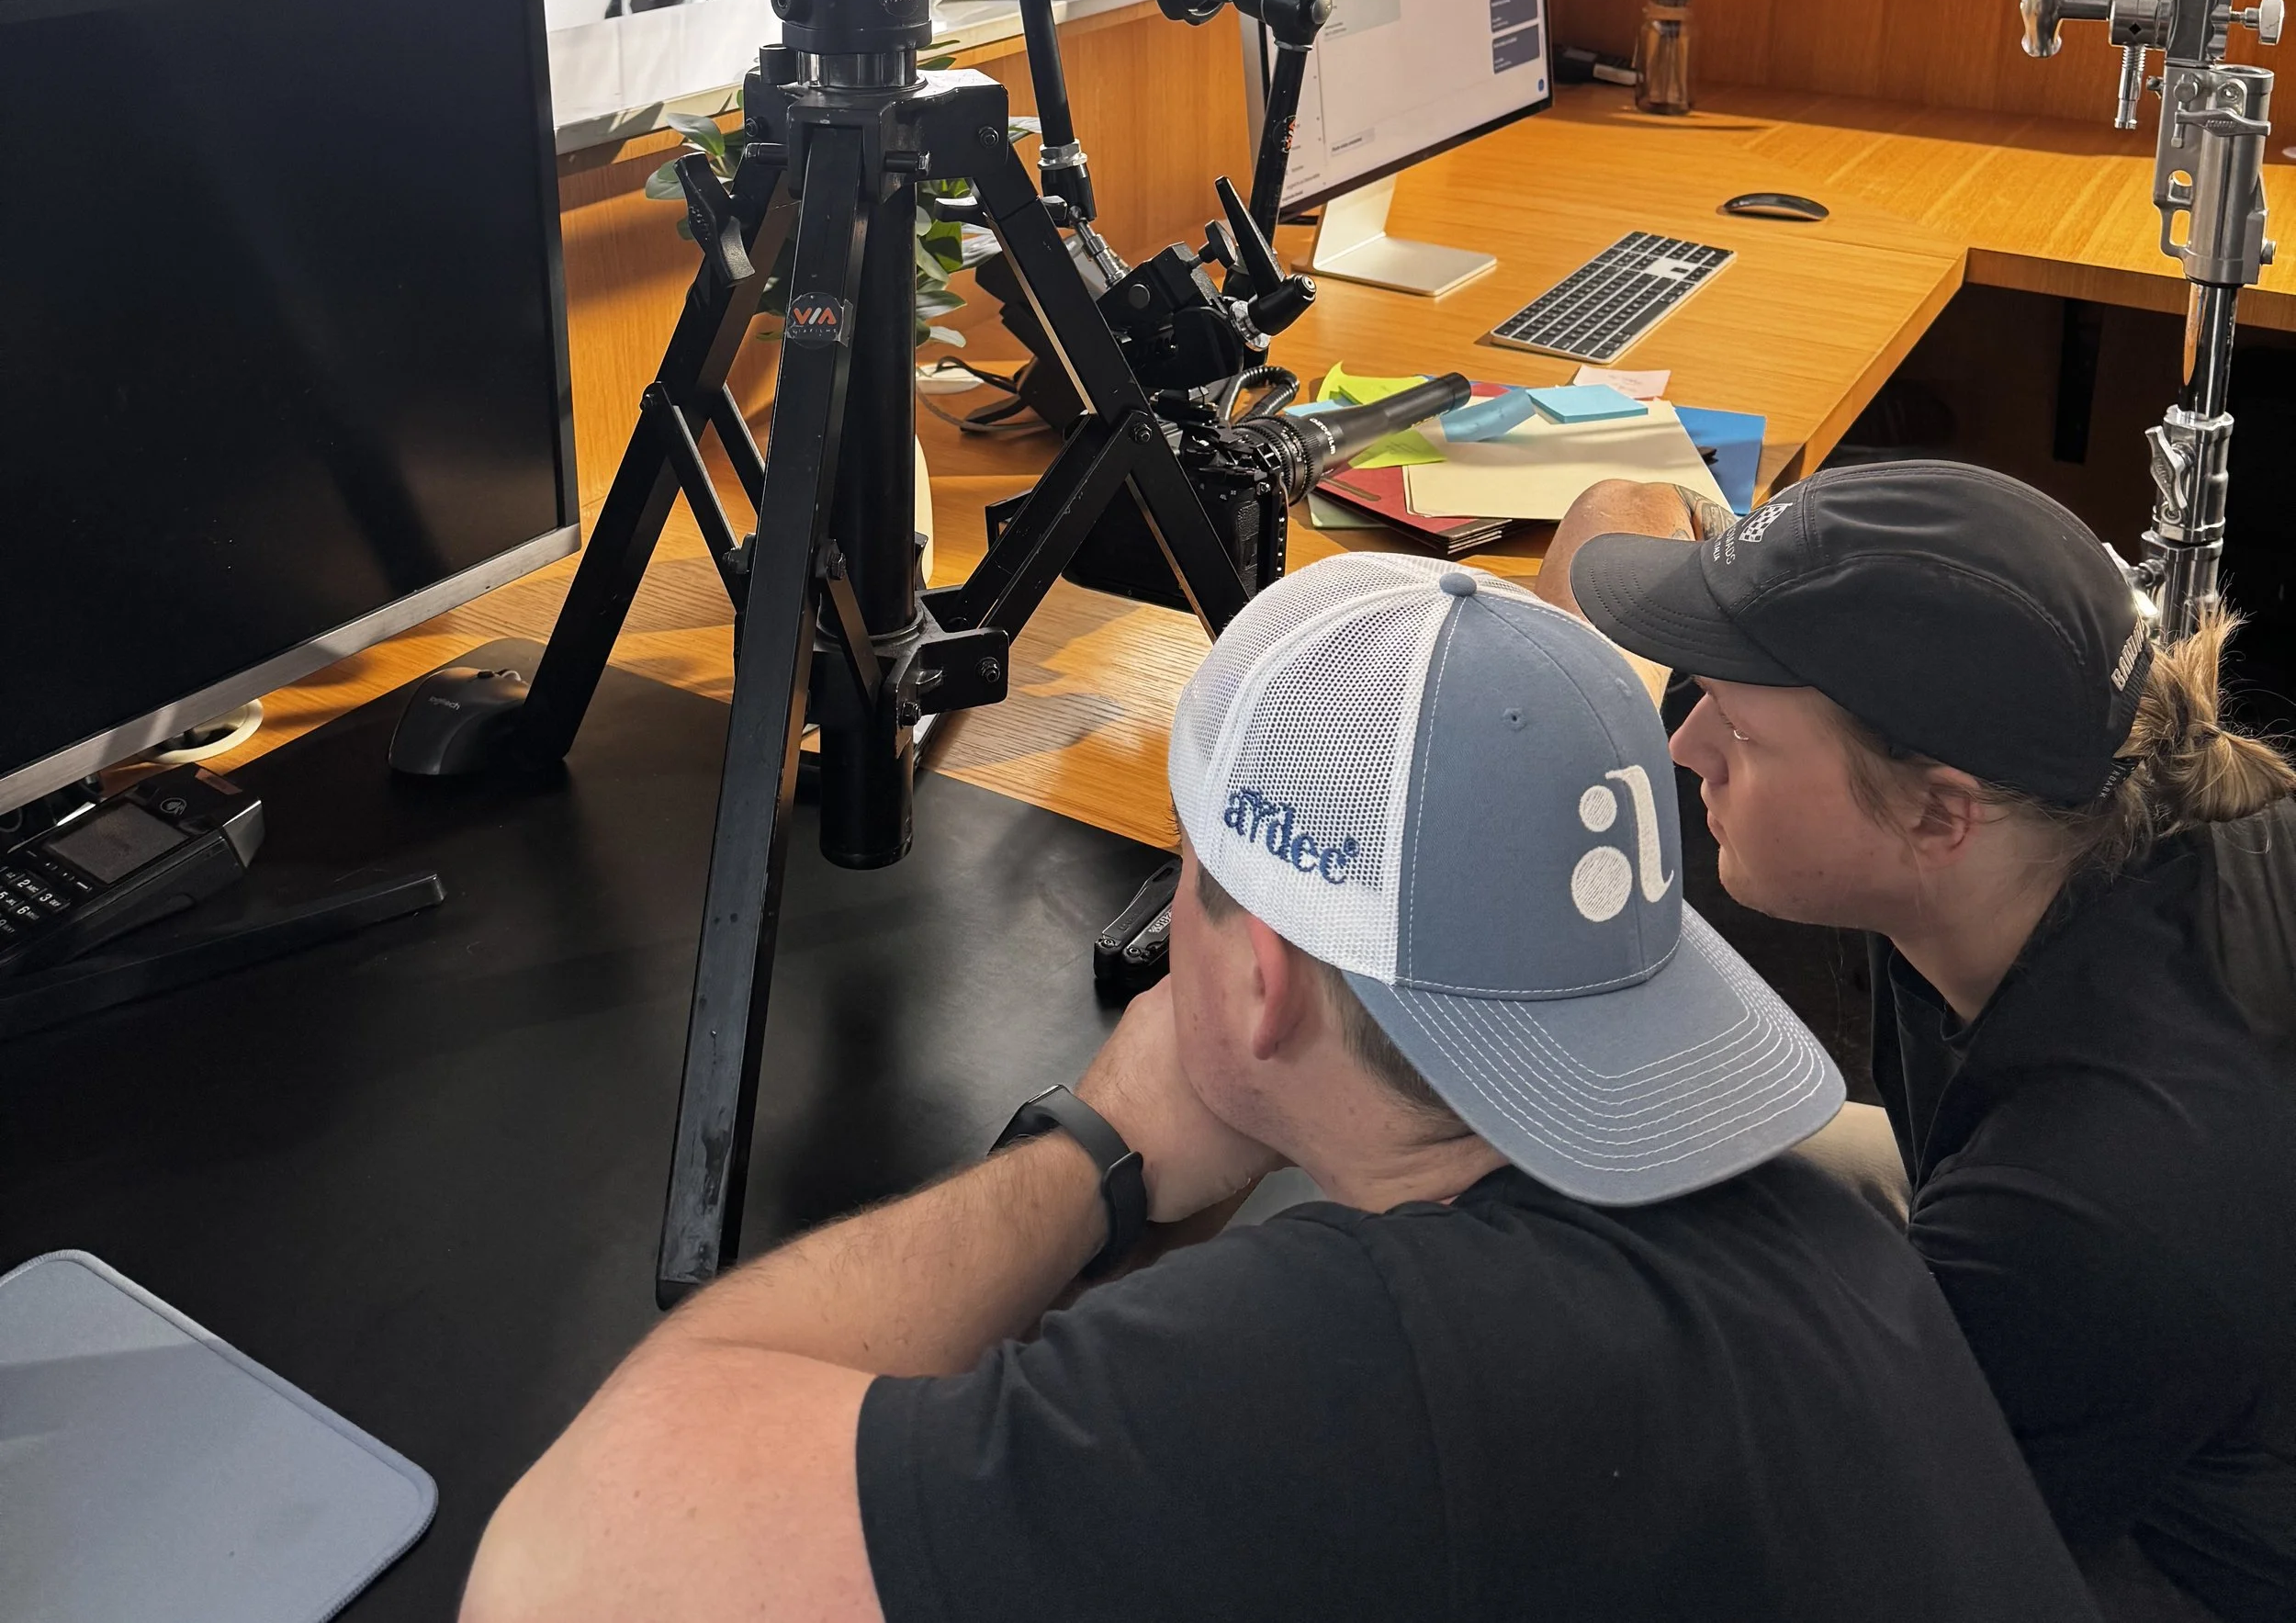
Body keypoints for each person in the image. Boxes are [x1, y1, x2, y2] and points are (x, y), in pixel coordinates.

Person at [462, 553, 2096, 1623]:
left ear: (1255, 978)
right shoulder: (1815, 1230)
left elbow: (561, 1564)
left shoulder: (1374, 1363)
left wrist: (1101, 1142)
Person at [1558, 461, 2296, 1622]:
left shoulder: (2087, 1207)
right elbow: (1622, 508)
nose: (1686, 746)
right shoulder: (2082, 812)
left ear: (1939, 811)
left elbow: (1822, 1549)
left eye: (1737, 726)